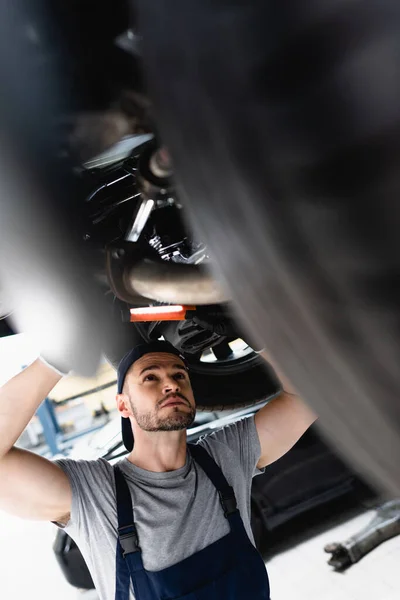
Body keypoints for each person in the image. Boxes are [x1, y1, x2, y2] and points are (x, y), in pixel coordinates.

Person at [0, 340, 317, 600]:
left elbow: (311, 396)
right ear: (123, 405)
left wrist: (255, 329)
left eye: (180, 376)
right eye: (150, 377)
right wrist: (56, 358)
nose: (171, 384)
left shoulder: (226, 456)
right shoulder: (95, 494)